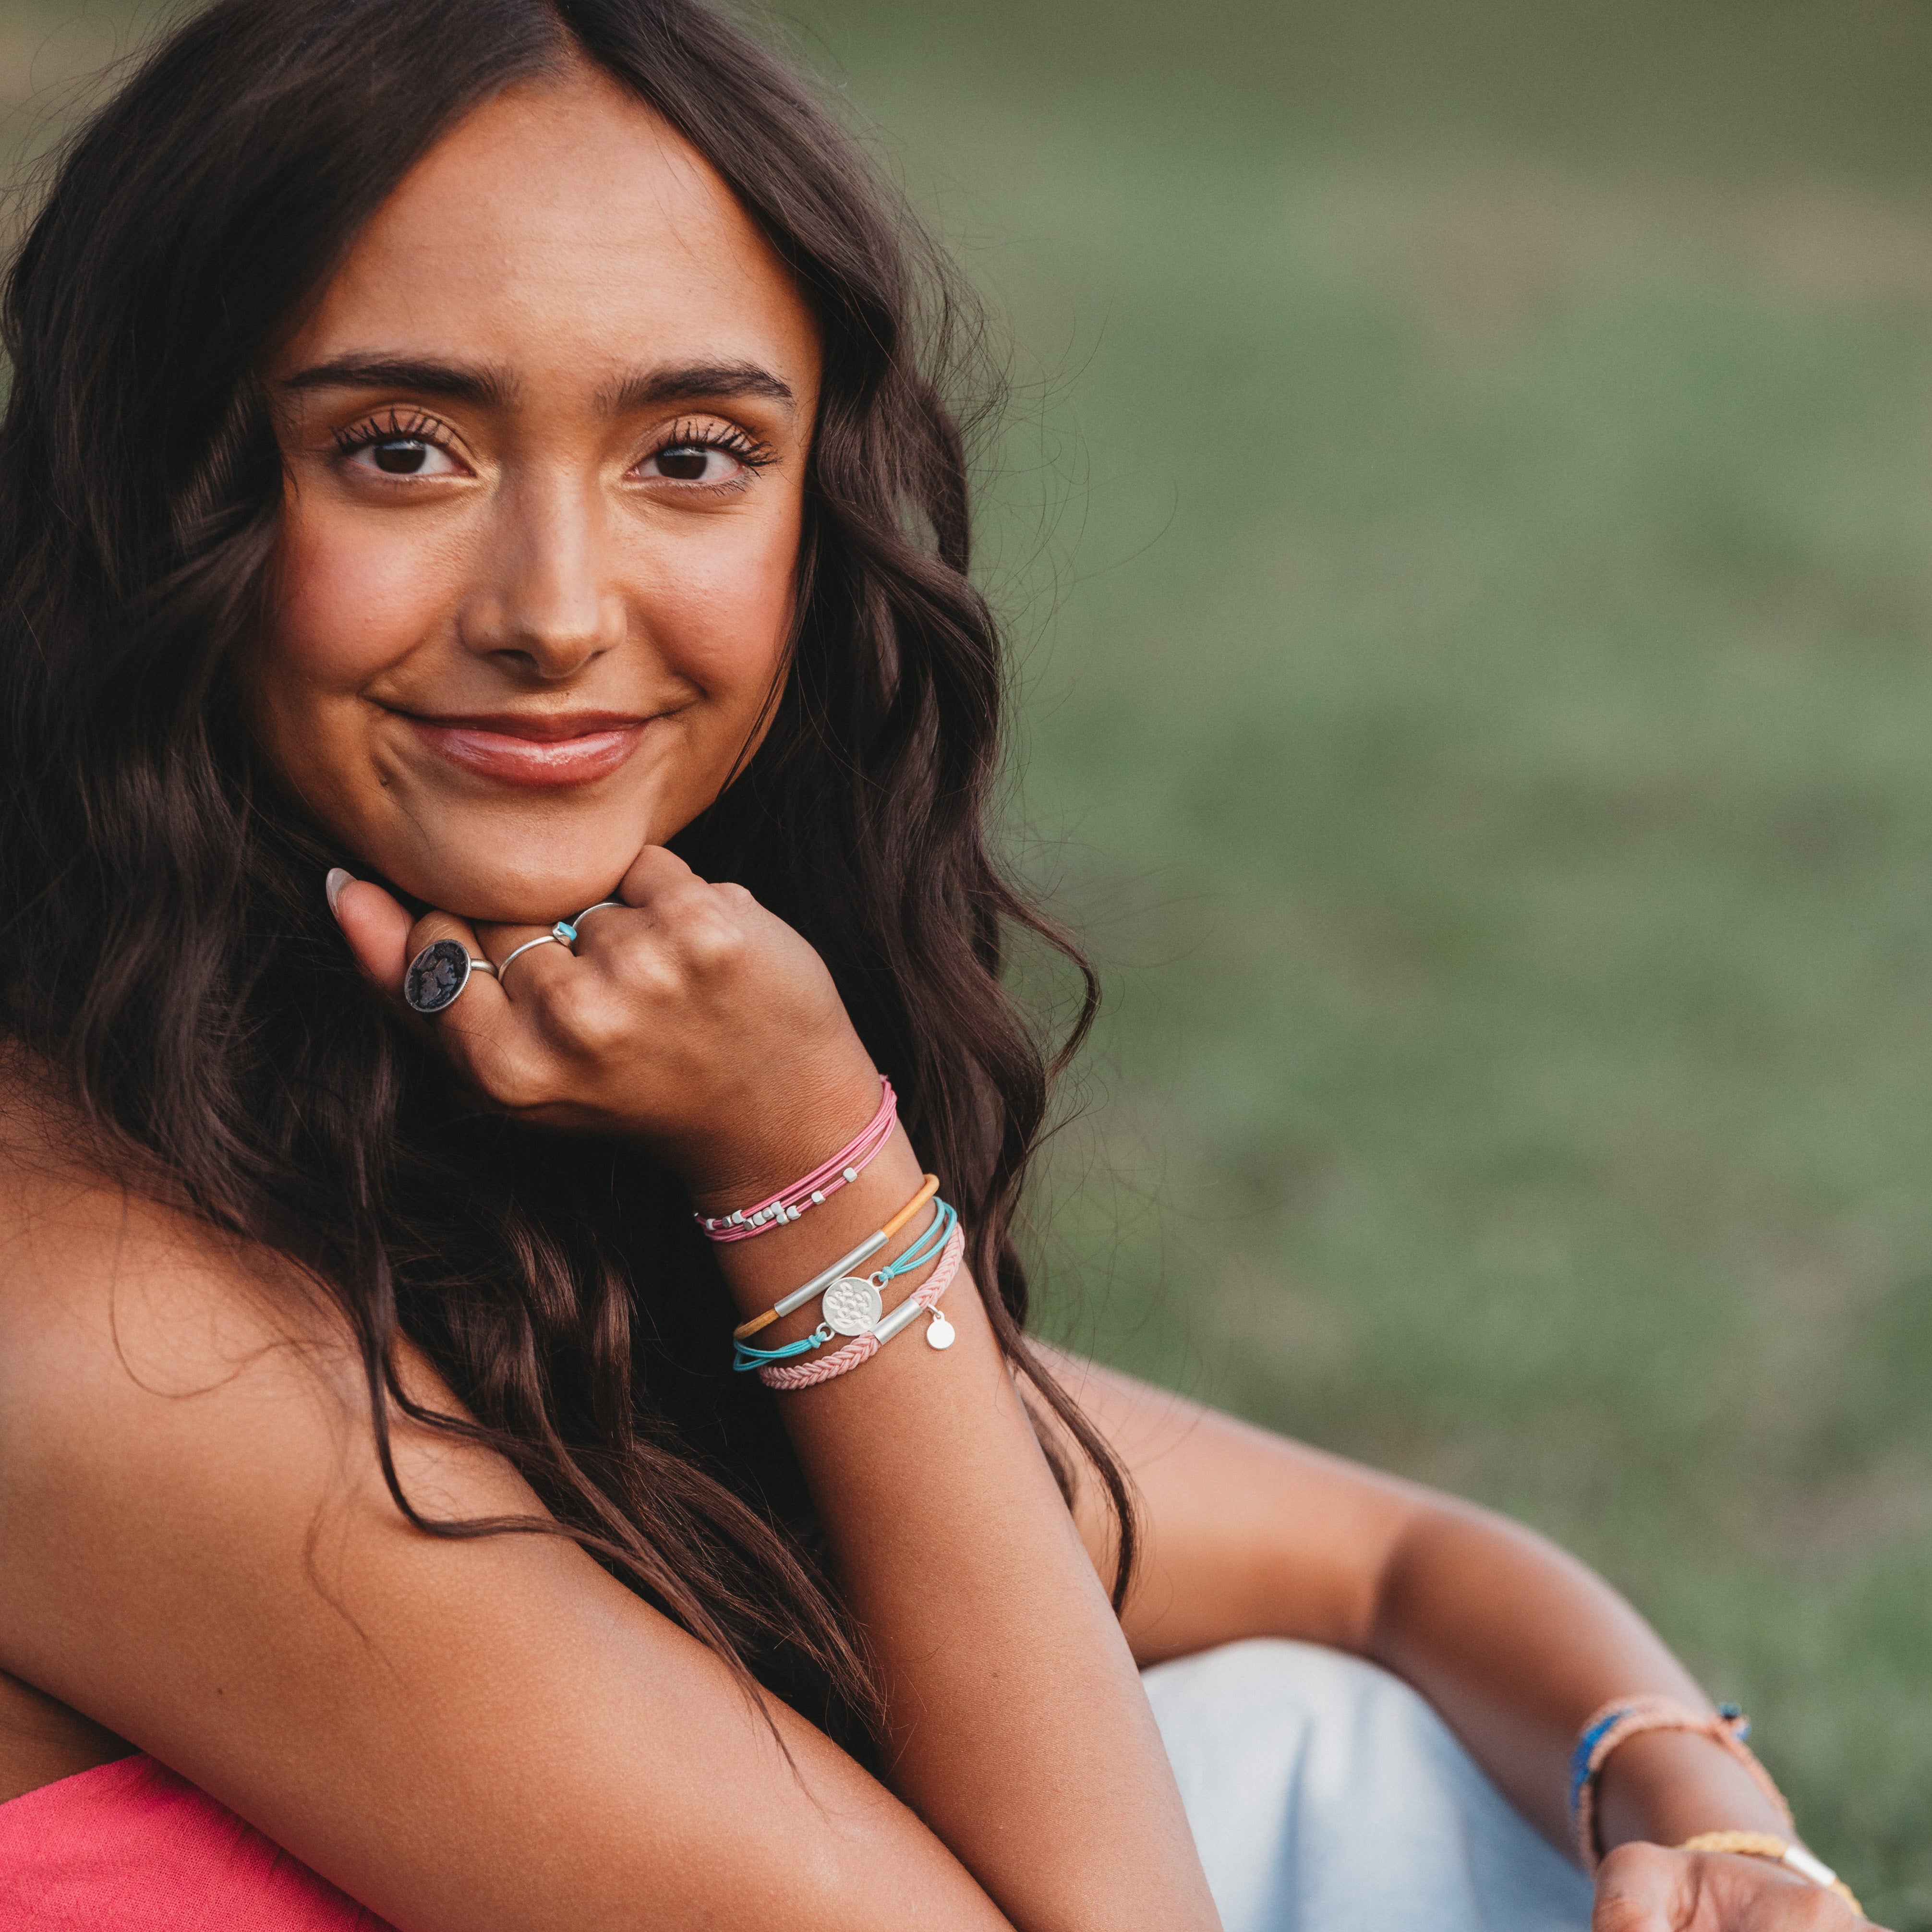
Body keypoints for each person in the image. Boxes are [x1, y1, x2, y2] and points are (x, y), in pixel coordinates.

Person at [0, 3, 1878, 1928]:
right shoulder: (90, 1324)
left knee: (1359, 1741)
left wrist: (1705, 1815)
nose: (555, 611)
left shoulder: (417, 1124)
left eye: (692, 454)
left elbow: (1399, 1569)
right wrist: (812, 1164)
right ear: (156, 492)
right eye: (400, 450)